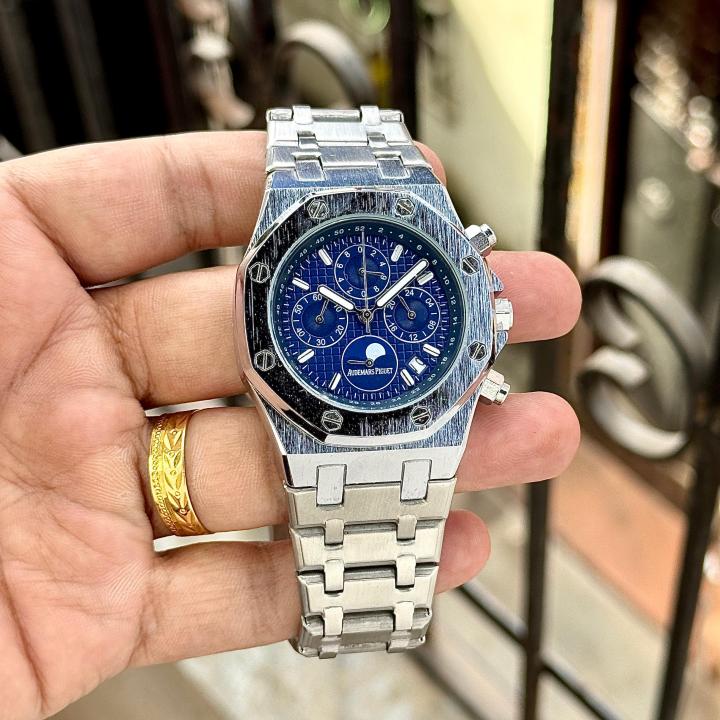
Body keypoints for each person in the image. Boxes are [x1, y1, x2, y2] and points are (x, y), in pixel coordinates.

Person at [0, 132, 581, 720]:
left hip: (415, 421)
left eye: (386, 307)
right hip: (317, 423)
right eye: (338, 308)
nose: (366, 315)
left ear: (488, 316)